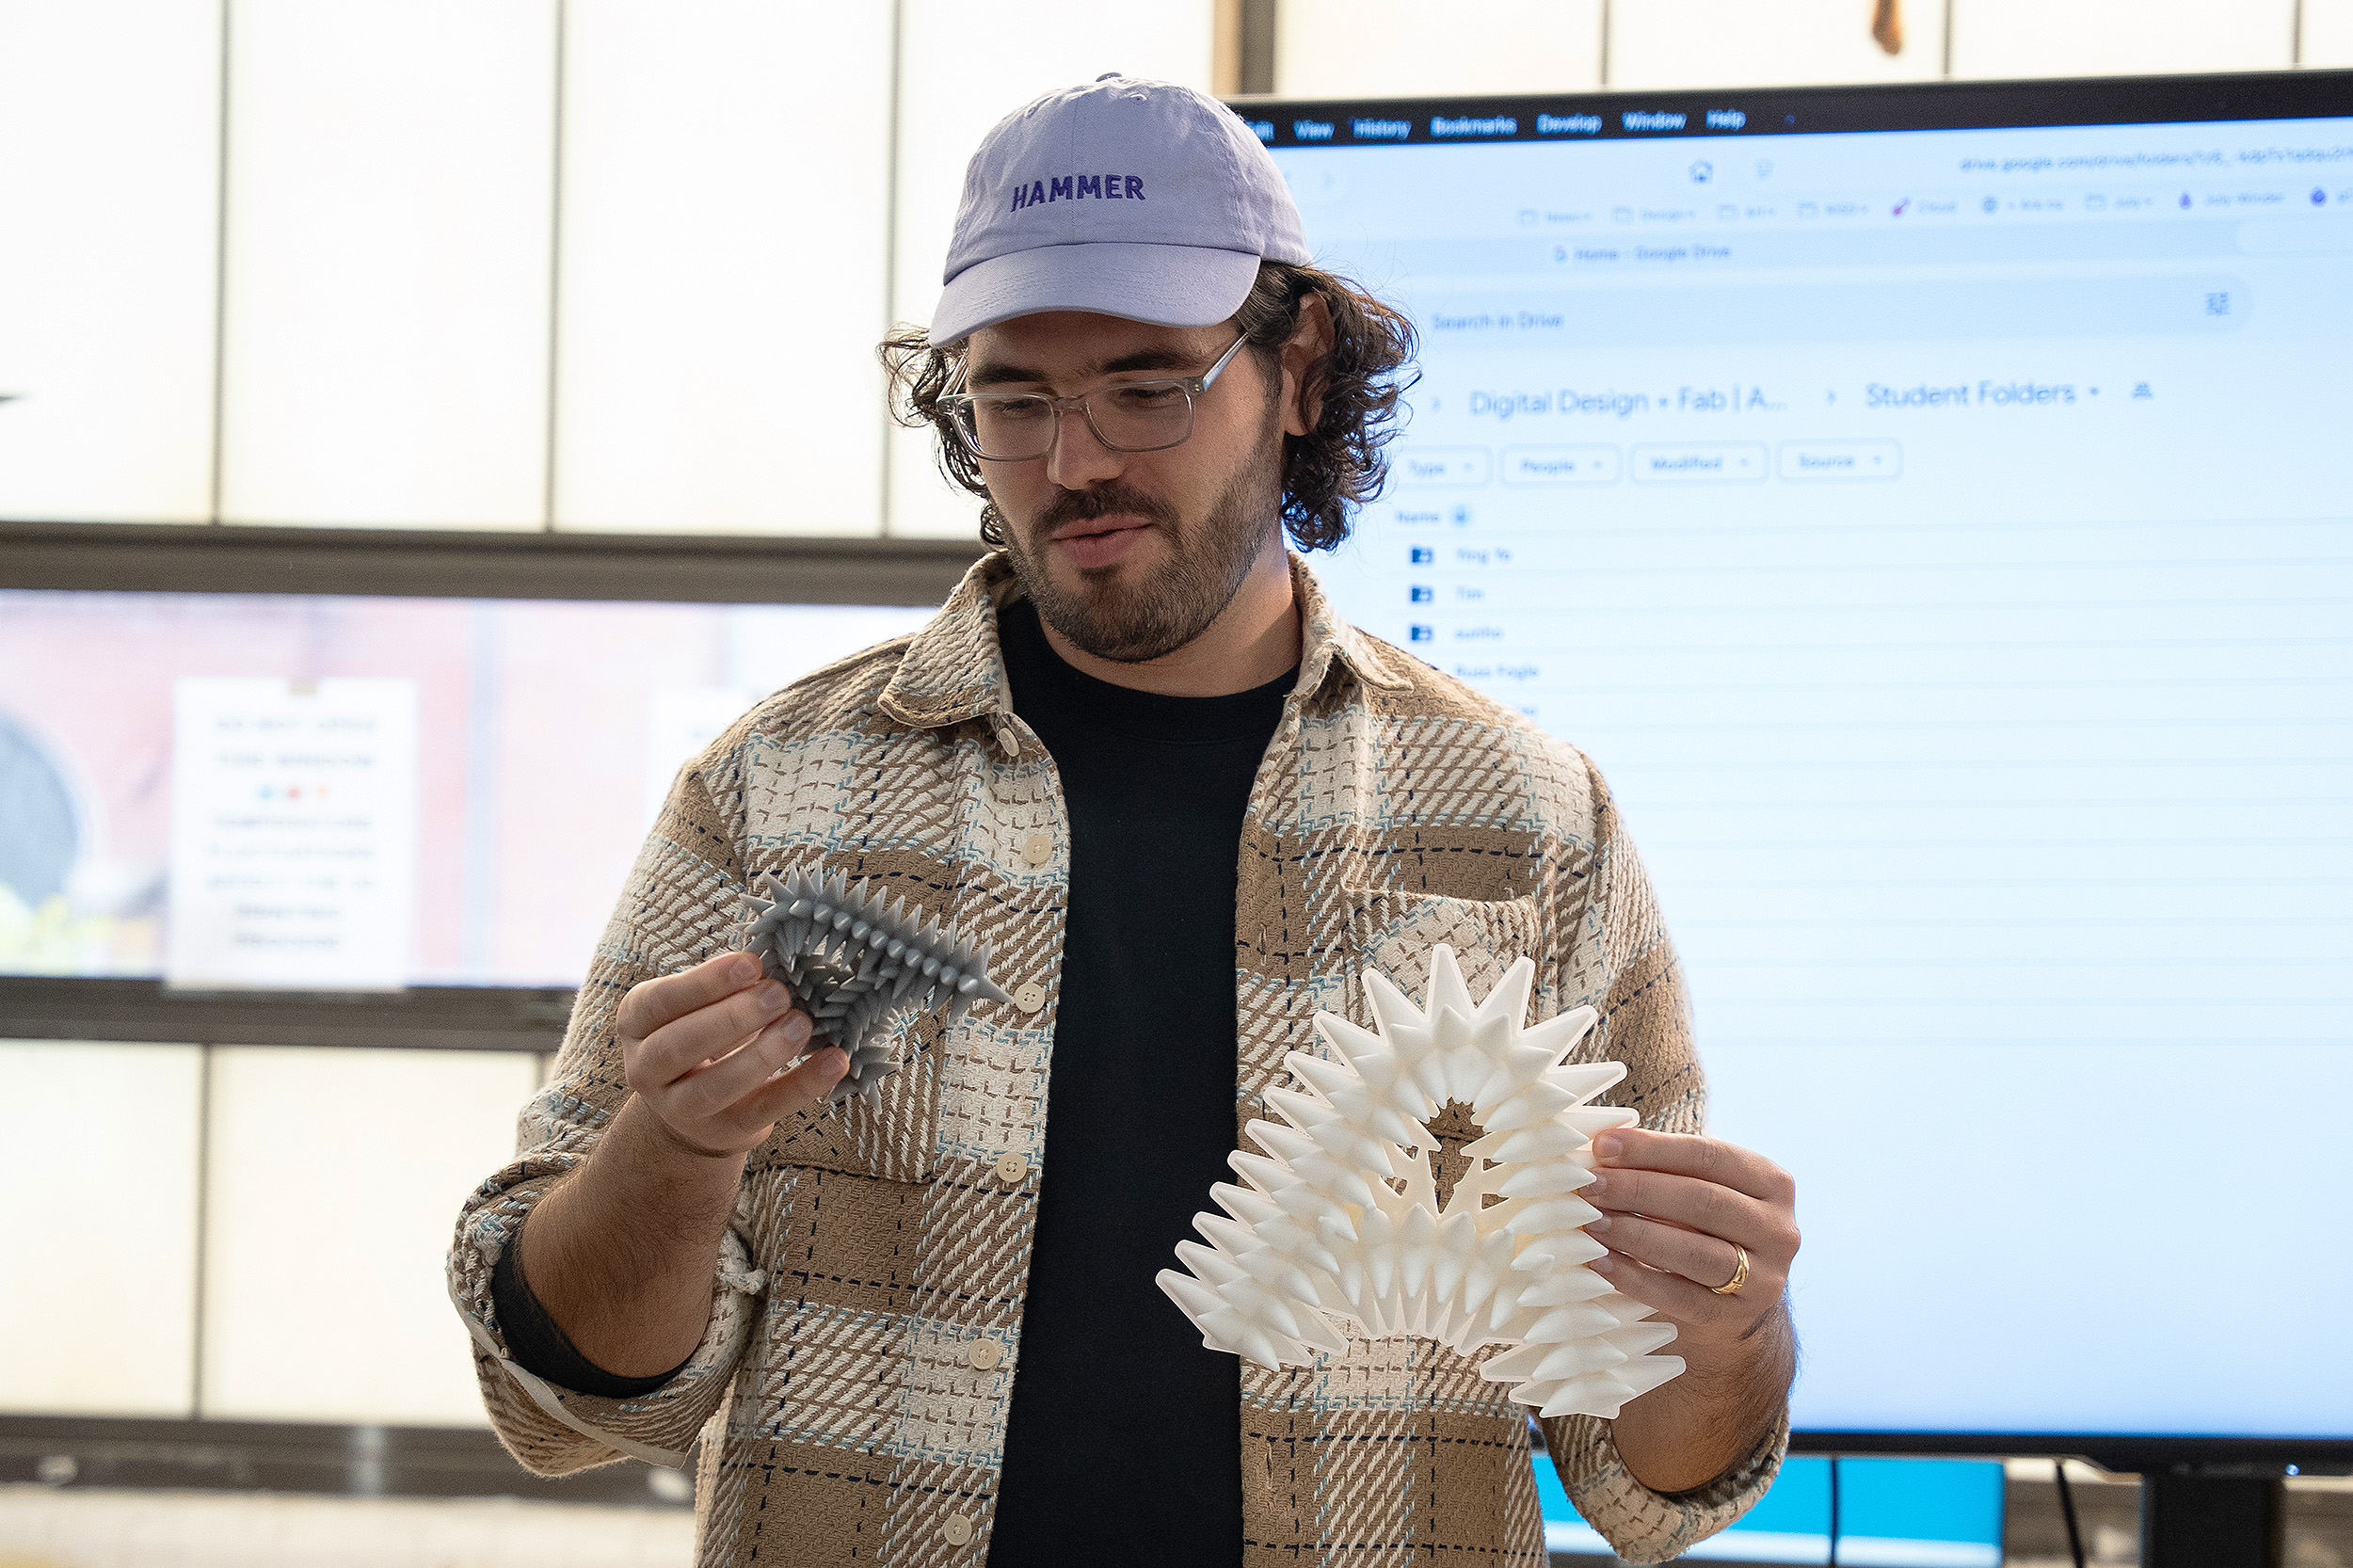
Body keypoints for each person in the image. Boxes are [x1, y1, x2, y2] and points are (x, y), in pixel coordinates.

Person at [449, 74, 1800, 1567]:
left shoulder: (1528, 822)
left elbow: (1646, 1478)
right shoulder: (779, 794)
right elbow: (562, 1401)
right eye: (1014, 398)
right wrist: (671, 1155)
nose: (1075, 458)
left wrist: (1732, 1330)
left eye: (1148, 385)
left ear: (1299, 366)